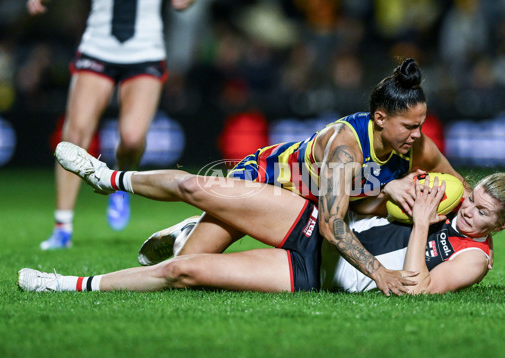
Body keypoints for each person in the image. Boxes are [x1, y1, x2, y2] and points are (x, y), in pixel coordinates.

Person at [17, 136, 505, 295]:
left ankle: (62, 286)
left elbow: (414, 290)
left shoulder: (472, 257)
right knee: (201, 185)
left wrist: (421, 221)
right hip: (318, 227)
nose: (468, 213)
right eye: (471, 200)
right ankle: (106, 177)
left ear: (501, 227)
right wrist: (397, 189)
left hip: (318, 275)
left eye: (482, 213)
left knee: (186, 271)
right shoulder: (450, 198)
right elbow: (390, 194)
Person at [139, 58, 471, 295]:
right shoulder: (347, 145)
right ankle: (171, 210)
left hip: (310, 204)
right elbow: (332, 224)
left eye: (421, 125)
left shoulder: (417, 146)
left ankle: (190, 228)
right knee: (184, 268)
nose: (418, 134)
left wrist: (482, 217)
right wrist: (379, 273)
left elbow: (456, 182)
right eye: (410, 126)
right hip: (269, 180)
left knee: (188, 268)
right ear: (380, 119)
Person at [27, 0, 196, 250]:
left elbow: (181, 3)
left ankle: (120, 183)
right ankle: (62, 227)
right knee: (75, 134)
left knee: (132, 138)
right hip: (98, 46)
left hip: (145, 49)